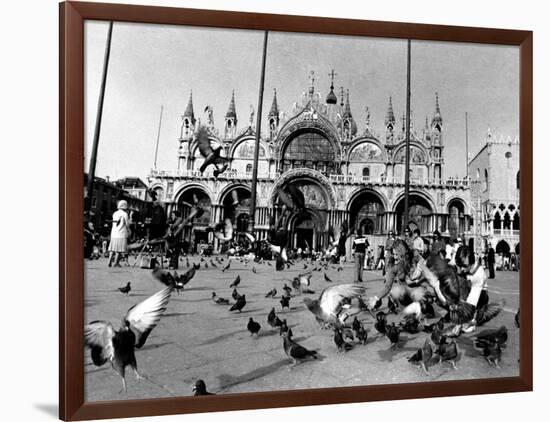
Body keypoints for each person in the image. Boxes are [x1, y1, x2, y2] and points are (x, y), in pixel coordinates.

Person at [455, 244, 489, 333]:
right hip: (467, 290)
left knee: (470, 325)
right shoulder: (463, 265)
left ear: (472, 262)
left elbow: (472, 300)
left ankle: (476, 317)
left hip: (480, 297)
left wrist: (462, 321)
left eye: (464, 266)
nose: (462, 268)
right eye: (460, 265)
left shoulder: (479, 274)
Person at [108, 200, 131, 267]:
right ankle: (116, 262)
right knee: (119, 249)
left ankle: (109, 261)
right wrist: (129, 231)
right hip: (121, 233)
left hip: (114, 233)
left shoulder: (115, 213)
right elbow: (127, 224)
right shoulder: (125, 214)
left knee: (112, 248)